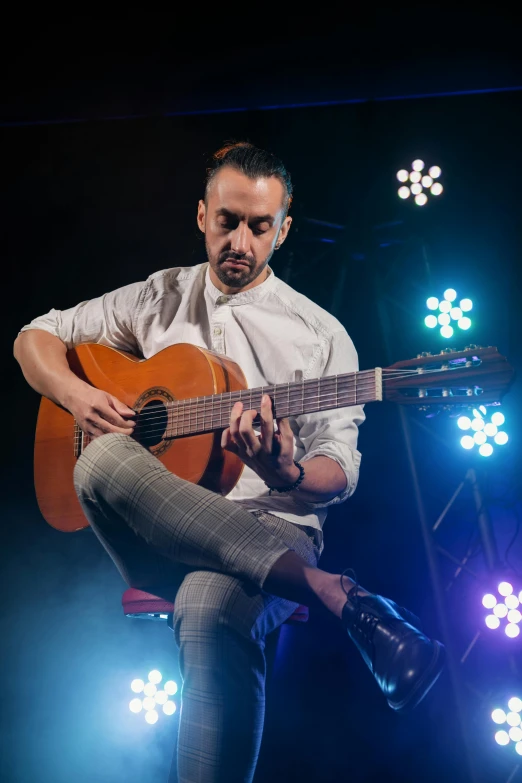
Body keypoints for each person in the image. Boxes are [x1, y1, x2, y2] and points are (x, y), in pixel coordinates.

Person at [14, 142, 444, 783]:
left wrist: (286, 472)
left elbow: (339, 472)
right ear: (201, 215)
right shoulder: (158, 298)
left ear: (283, 228)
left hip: (273, 525)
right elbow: (34, 336)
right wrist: (77, 395)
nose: (240, 240)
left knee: (211, 609)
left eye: (259, 226)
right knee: (99, 461)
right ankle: (338, 593)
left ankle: (316, 583)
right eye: (227, 221)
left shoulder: (322, 334)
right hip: (158, 531)